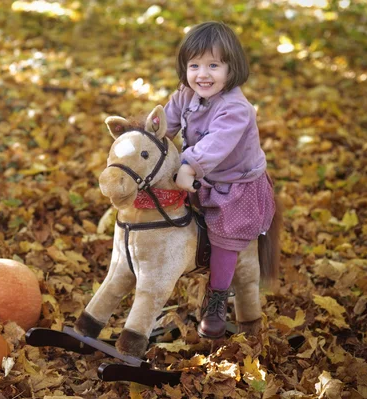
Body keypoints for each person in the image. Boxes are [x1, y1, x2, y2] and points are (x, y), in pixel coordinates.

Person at [164, 21, 275, 339]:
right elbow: (165, 125)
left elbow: (215, 145)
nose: (203, 74)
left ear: (231, 68)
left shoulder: (237, 109)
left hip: (235, 187)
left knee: (226, 240)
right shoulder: (186, 94)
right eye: (195, 65)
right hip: (199, 179)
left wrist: (188, 165)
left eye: (214, 65)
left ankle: (217, 298)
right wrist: (145, 140)